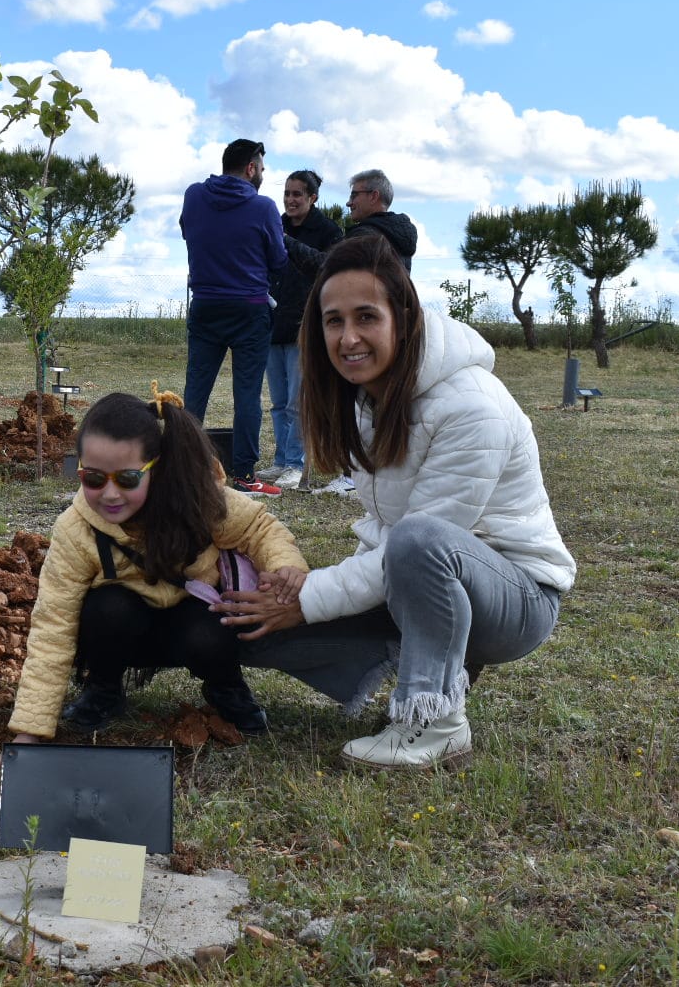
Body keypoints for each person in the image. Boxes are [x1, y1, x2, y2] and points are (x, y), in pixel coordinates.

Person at [219, 232, 576, 769]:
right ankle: (415, 664)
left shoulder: (470, 406)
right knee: (254, 630)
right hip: (425, 574)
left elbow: (416, 543)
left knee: (415, 543)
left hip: (517, 600)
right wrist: (296, 593)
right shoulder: (370, 397)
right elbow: (387, 529)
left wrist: (310, 598)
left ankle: (436, 721)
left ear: (403, 318)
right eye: (333, 320)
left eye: (366, 316)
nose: (348, 337)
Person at [6, 388, 308, 744]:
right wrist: (29, 730)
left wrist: (286, 564)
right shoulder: (76, 529)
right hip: (125, 632)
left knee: (214, 625)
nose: (110, 493)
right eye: (94, 477)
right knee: (106, 608)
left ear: (157, 467)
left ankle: (225, 686)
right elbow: (52, 627)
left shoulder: (200, 500)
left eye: (128, 478)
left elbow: (259, 529)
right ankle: (103, 687)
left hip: (196, 625)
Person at [179, 138, 288, 497]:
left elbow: (187, 232)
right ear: (251, 168)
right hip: (250, 308)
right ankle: (243, 475)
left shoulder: (194, 195)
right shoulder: (263, 207)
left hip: (206, 303)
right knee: (247, 394)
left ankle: (184, 470)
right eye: (262, 169)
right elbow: (279, 260)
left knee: (196, 389)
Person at [258, 170, 342, 492]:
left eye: (298, 194)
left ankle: (296, 463)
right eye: (288, 194)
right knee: (278, 402)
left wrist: (287, 242)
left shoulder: (327, 231)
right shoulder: (274, 224)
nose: (291, 200)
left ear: (312, 197)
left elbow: (327, 267)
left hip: (304, 327)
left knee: (297, 402)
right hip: (272, 324)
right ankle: (281, 460)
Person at [344, 169, 417, 270]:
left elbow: (332, 267)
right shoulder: (399, 237)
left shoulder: (364, 236)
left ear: (373, 196)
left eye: (354, 195)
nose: (348, 203)